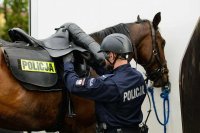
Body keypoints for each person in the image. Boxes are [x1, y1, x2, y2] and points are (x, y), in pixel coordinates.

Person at [63, 33, 147, 133]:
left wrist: (68, 64)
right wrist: (93, 63)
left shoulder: (109, 85)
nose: (104, 57)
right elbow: (116, 77)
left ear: (112, 55)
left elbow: (73, 85)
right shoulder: (138, 77)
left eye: (105, 54)